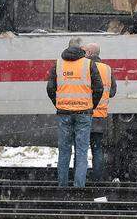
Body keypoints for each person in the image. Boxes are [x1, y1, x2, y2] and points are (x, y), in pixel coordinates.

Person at [46, 38, 103, 187]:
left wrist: (59, 104)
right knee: (82, 151)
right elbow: (99, 88)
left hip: (64, 113)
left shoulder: (57, 64)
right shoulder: (88, 64)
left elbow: (50, 89)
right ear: (82, 49)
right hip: (84, 113)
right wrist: (91, 106)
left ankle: (63, 186)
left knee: (64, 150)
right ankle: (79, 187)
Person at [84, 42, 117, 181]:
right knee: (97, 150)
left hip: (85, 114)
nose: (84, 54)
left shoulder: (84, 67)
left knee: (81, 149)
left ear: (90, 54)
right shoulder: (107, 69)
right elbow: (112, 92)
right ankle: (98, 180)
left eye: (85, 52)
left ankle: (80, 180)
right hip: (100, 116)